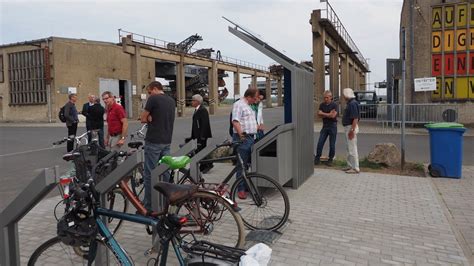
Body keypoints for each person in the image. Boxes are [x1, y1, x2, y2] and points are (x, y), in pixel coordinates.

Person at [140, 81, 176, 211]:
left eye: (149, 91)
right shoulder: (171, 100)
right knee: (165, 172)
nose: (149, 94)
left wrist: (149, 117)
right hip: (167, 141)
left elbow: (142, 118)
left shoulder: (153, 99)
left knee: (150, 174)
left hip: (153, 141)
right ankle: (165, 201)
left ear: (155, 89)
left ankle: (148, 205)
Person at [232, 87, 259, 199]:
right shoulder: (239, 105)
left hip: (251, 138)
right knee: (242, 165)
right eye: (255, 98)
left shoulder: (248, 105)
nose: (256, 100)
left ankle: (246, 185)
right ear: (248, 96)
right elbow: (235, 121)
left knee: (247, 164)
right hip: (244, 138)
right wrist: (242, 136)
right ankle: (241, 189)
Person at [189, 94, 213, 173]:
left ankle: (209, 164)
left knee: (201, 150)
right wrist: (193, 135)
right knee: (200, 150)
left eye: (193, 100)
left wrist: (202, 135)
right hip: (198, 134)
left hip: (202, 135)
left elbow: (205, 123)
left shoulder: (202, 110)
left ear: (197, 102)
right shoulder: (197, 109)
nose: (191, 102)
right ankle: (203, 165)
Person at [314, 91, 338, 166]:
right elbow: (318, 114)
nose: (326, 99)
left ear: (331, 97)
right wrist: (328, 114)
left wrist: (323, 114)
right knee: (320, 142)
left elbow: (333, 116)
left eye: (327, 97)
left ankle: (330, 159)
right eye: (324, 97)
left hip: (333, 126)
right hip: (325, 126)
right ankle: (317, 158)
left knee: (332, 144)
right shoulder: (322, 105)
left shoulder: (334, 105)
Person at [341, 88, 360, 174]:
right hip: (349, 127)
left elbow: (355, 118)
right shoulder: (351, 103)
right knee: (349, 147)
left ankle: (355, 167)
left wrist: (352, 130)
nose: (343, 96)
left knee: (352, 148)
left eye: (344, 94)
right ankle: (350, 165)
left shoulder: (352, 104)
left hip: (350, 127)